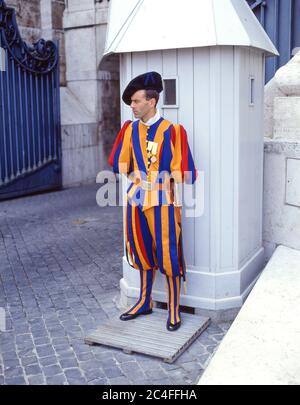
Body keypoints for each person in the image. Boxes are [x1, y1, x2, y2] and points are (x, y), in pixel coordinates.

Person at [108, 71, 197, 331]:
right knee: (141, 250)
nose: (132, 107)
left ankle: (173, 309)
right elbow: (119, 164)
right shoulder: (129, 130)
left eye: (136, 101)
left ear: (152, 101)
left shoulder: (174, 131)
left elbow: (187, 174)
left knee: (168, 254)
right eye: (132, 102)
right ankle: (144, 301)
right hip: (136, 199)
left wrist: (163, 176)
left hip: (163, 202)